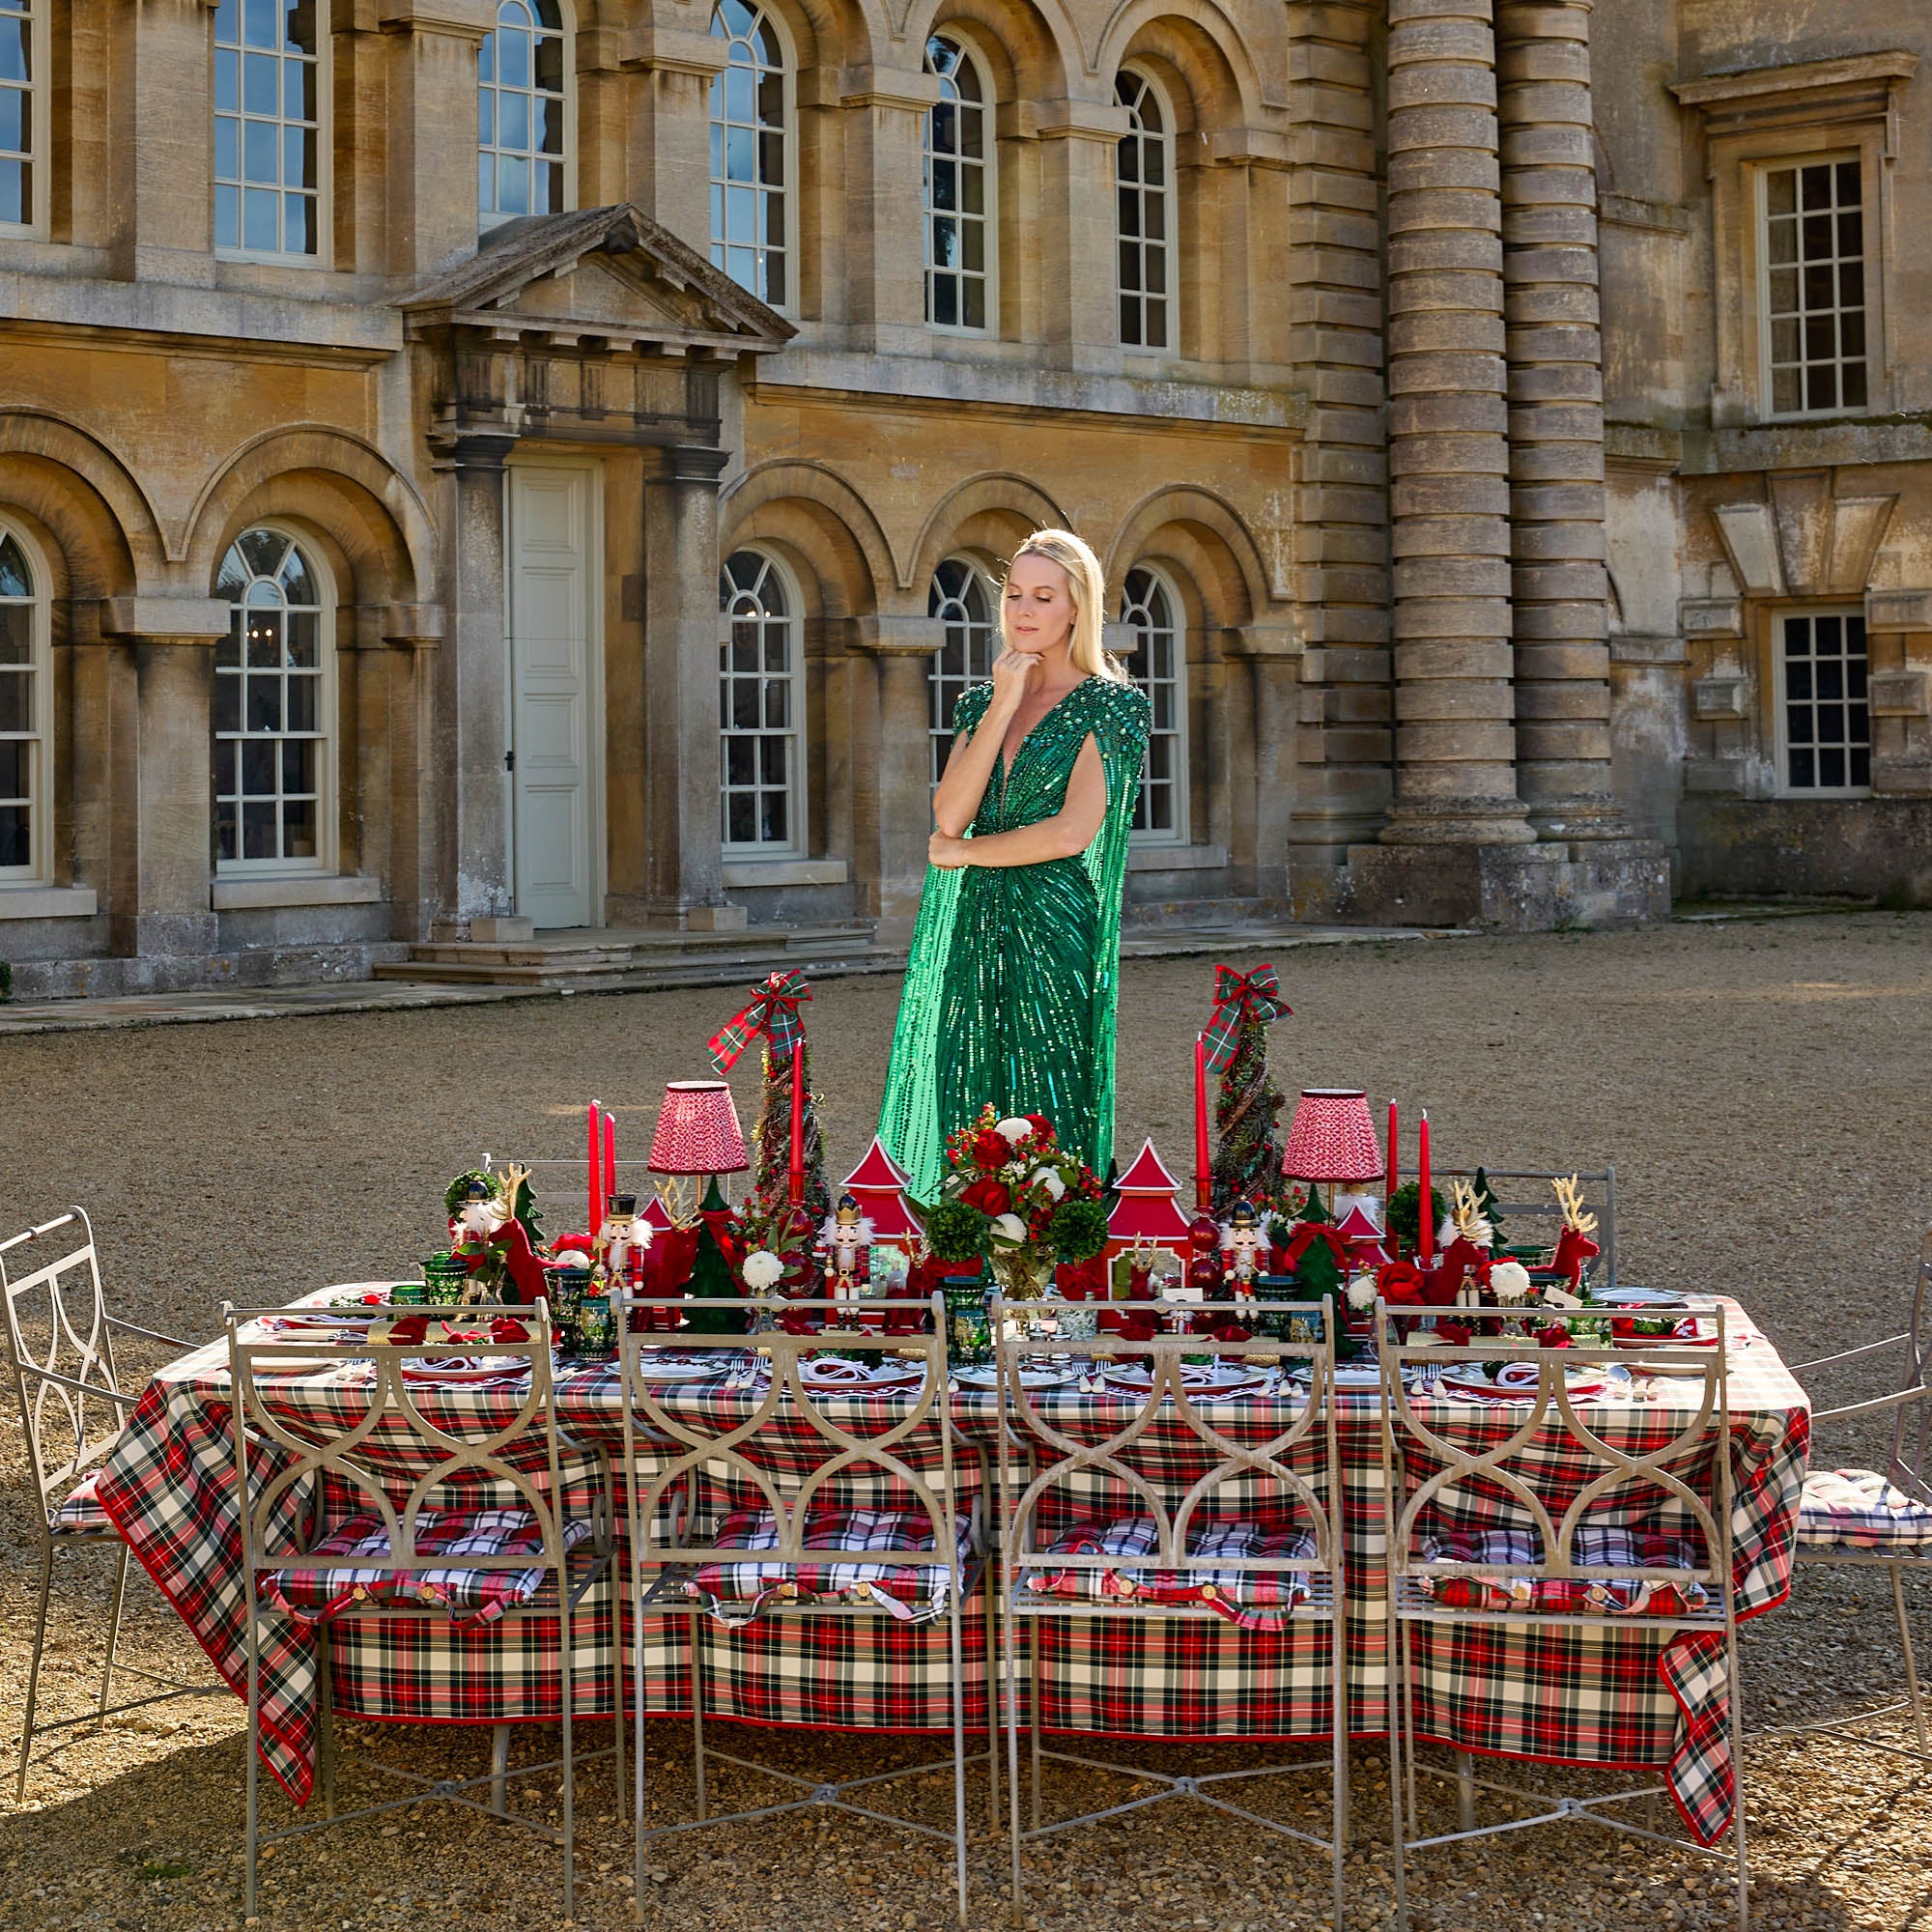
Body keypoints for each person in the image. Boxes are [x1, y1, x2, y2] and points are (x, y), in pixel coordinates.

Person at [877, 529, 1151, 1201]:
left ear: (1076, 608)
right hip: (973, 917)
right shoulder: (979, 702)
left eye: (1044, 597)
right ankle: (965, 1252)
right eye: (1015, 595)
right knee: (965, 1075)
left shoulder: (1114, 706)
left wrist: (965, 854)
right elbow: (949, 812)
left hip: (1052, 920)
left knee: (1047, 1078)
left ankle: (1054, 1258)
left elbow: (1069, 832)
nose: (1024, 611)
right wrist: (1003, 701)